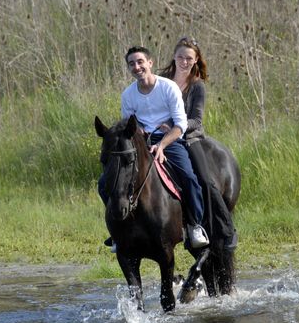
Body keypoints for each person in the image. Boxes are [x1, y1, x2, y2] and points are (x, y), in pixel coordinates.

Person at [99, 45, 209, 251]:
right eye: (131, 63)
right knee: (104, 182)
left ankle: (195, 226)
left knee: (189, 177)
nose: (136, 67)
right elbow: (130, 124)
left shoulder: (168, 87)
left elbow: (181, 124)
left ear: (150, 63)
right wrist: (142, 136)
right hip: (140, 142)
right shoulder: (128, 95)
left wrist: (162, 145)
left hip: (170, 139)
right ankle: (117, 230)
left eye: (140, 62)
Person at [159, 36, 236, 247]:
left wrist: (176, 127)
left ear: (195, 61)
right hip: (160, 136)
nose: (184, 62)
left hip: (190, 138)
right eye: (181, 57)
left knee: (204, 179)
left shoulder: (197, 86)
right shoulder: (161, 80)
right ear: (174, 57)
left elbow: (196, 120)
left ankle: (226, 229)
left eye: (189, 59)